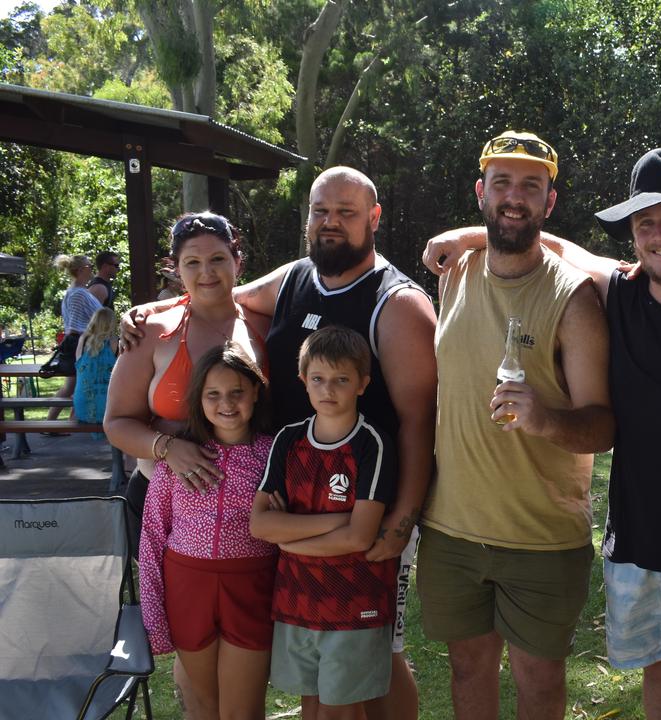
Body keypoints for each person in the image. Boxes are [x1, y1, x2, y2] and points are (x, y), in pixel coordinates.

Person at [423, 147, 661, 719]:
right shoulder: (619, 292)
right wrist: (469, 236)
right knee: (658, 690)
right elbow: (547, 241)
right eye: (645, 222)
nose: (660, 235)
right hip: (639, 543)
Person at [122, 167, 436, 719]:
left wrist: (402, 520)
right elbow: (217, 292)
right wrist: (151, 309)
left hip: (367, 498)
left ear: (374, 218)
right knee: (320, 645)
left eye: (346, 211)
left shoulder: (399, 303)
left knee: (378, 646)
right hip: (294, 501)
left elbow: (418, 422)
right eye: (321, 211)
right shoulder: (296, 277)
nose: (331, 222)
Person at [418, 130, 612, 720]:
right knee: (467, 669)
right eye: (502, 182)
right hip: (451, 528)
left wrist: (546, 419)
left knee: (539, 680)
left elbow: (603, 426)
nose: (514, 197)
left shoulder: (572, 296)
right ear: (481, 192)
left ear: (548, 203)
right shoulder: (454, 274)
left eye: (531, 186)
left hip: (542, 537)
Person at [105, 212, 270, 710]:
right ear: (175, 267)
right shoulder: (152, 332)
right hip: (167, 511)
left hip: (250, 517)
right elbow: (116, 421)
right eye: (191, 262)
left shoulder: (264, 327)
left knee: (243, 676)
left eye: (218, 259)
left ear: (237, 259)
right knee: (192, 658)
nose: (206, 272)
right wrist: (167, 447)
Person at [250, 326, 398, 720]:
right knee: (311, 707)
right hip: (297, 598)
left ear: (362, 384)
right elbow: (260, 525)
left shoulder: (372, 444)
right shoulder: (287, 439)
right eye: (318, 378)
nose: (328, 389)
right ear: (303, 381)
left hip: (355, 603)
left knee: (340, 712)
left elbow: (360, 536)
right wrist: (337, 521)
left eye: (341, 380)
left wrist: (290, 535)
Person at [138, 342, 277, 720]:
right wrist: (153, 615)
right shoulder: (178, 457)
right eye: (213, 394)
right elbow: (151, 536)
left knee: (242, 712)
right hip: (187, 590)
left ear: (255, 393)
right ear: (198, 399)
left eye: (237, 392)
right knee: (204, 709)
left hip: (251, 590)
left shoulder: (274, 455)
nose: (226, 403)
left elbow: (287, 530)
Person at [47, 253, 102, 424]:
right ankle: (53, 423)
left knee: (72, 384)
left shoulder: (74, 292)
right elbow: (90, 320)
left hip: (77, 343)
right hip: (81, 344)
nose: (92, 268)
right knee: (74, 384)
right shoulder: (79, 294)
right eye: (89, 266)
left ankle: (57, 422)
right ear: (80, 270)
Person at [72, 306, 116, 437]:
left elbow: (78, 367)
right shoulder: (115, 342)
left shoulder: (83, 340)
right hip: (109, 408)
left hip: (83, 406)